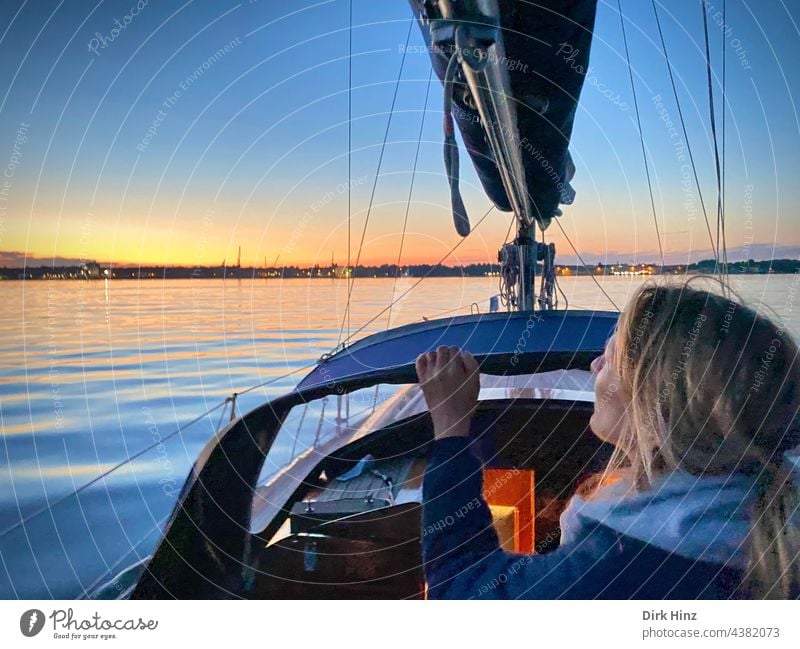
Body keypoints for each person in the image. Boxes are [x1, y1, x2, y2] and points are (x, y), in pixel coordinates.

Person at [416, 279, 800, 599]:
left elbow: (460, 591)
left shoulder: (623, 563)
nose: (593, 366)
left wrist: (451, 426)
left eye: (610, 358)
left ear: (654, 397)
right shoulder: (758, 519)